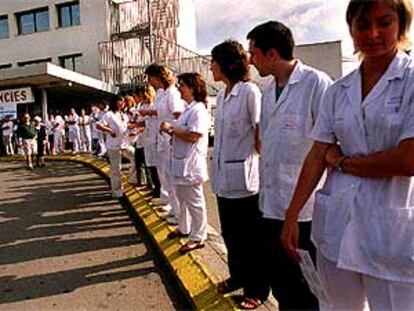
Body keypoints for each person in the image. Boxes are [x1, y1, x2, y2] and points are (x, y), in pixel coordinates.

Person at [281, 0, 414, 310]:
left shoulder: (410, 81)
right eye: (363, 25)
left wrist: (342, 162)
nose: (373, 33)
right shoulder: (339, 90)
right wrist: (292, 214)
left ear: (402, 26)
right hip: (338, 224)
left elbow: (408, 160)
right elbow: (317, 154)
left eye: (384, 23)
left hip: (392, 230)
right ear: (351, 30)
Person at [247, 21, 332, 310]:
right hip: (271, 204)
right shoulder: (269, 91)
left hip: (304, 210)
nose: (250, 60)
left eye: (254, 53)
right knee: (282, 281)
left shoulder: (316, 84)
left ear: (271, 54)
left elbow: (327, 148)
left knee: (308, 287)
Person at [209, 40, 268, 309]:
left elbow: (259, 134)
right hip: (223, 179)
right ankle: (237, 277)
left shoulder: (249, 92)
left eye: (214, 62)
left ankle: (256, 289)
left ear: (227, 64)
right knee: (230, 235)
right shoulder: (221, 95)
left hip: (246, 182)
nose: (211, 67)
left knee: (251, 240)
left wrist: (269, 170)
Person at [160, 73, 210, 254]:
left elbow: (194, 135)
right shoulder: (189, 109)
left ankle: (198, 237)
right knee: (182, 199)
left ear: (192, 88)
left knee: (195, 203)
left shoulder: (199, 110)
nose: (179, 88)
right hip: (181, 163)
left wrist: (171, 130)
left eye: (182, 85)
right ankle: (184, 228)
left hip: (191, 164)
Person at [145, 64, 184, 225]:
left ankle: (178, 214)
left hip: (169, 139)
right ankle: (173, 209)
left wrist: (171, 130)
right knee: (165, 175)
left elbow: (178, 115)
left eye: (150, 78)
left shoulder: (172, 93)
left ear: (157, 77)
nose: (149, 81)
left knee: (171, 176)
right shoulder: (162, 94)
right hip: (162, 138)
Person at [97, 95, 137, 198]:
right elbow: (99, 125)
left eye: (124, 102)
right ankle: (117, 191)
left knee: (136, 157)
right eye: (121, 102)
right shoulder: (109, 114)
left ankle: (132, 178)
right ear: (115, 103)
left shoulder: (123, 114)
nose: (123, 103)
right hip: (113, 145)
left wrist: (132, 130)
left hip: (124, 143)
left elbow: (126, 126)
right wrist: (110, 131)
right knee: (116, 168)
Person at [138, 84, 162, 197]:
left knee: (156, 165)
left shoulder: (154, 105)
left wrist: (147, 113)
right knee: (150, 163)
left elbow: (157, 116)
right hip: (147, 137)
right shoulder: (144, 106)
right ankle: (153, 186)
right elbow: (145, 122)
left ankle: (158, 188)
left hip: (154, 137)